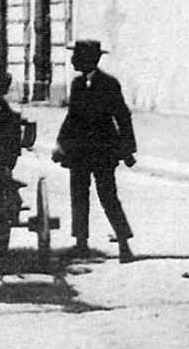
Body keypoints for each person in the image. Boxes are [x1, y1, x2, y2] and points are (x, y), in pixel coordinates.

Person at [53, 39, 138, 262]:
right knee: (79, 196)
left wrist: (127, 149)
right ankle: (81, 244)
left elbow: (123, 116)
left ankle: (123, 244)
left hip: (103, 151)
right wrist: (61, 144)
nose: (72, 60)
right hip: (80, 152)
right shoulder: (77, 84)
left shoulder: (109, 84)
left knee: (108, 196)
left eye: (76, 56)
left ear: (88, 59)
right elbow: (72, 117)